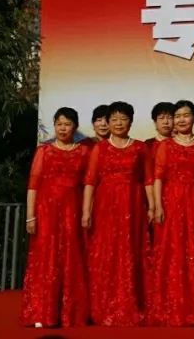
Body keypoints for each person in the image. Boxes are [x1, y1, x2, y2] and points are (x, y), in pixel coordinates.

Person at [148, 100, 194, 326]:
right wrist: (158, 206)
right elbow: (158, 178)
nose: (181, 120)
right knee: (173, 249)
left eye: (185, 115)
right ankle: (171, 304)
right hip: (172, 200)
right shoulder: (165, 146)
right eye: (177, 116)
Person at [82, 101, 153, 326]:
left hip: (133, 205)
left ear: (131, 122)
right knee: (106, 251)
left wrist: (152, 206)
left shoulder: (140, 148)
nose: (119, 123)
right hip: (106, 205)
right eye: (114, 119)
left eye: (123, 119)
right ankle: (104, 305)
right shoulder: (100, 149)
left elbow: (148, 180)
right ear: (108, 122)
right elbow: (90, 180)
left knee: (132, 249)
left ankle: (132, 303)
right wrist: (86, 210)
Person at [20, 108, 91, 328]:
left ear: (75, 127)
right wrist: (30, 217)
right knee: (46, 258)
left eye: (67, 124)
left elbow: (89, 184)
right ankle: (41, 311)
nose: (62, 128)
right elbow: (33, 184)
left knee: (71, 258)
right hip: (47, 210)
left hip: (73, 210)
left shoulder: (85, 152)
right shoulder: (45, 151)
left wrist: (86, 212)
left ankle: (69, 313)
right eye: (59, 124)